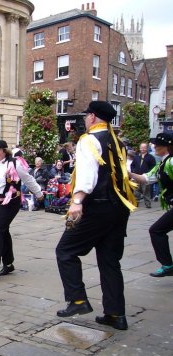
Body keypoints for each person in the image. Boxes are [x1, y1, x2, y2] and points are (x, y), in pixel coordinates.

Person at [55, 101, 137, 331]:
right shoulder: (117, 142)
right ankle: (115, 314)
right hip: (118, 208)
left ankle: (78, 300)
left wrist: (77, 202)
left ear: (92, 117)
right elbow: (119, 173)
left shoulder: (89, 140)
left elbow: (87, 176)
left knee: (65, 250)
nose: (84, 119)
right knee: (110, 261)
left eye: (86, 115)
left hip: (97, 206)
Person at [0, 140, 44, 276]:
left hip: (9, 202)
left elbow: (28, 179)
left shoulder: (15, 164)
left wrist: (38, 193)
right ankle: (8, 264)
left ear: (4, 151)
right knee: (3, 232)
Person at [129, 132, 173, 277]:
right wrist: (128, 174)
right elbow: (146, 178)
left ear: (166, 146)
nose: (153, 146)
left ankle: (168, 265)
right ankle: (167, 264)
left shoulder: (171, 162)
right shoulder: (163, 163)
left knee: (156, 230)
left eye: (157, 144)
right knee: (157, 231)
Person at [130, 142, 156, 208]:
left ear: (147, 148)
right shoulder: (136, 157)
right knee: (136, 191)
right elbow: (132, 165)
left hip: (145, 177)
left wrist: (148, 173)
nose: (142, 149)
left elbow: (153, 167)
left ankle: (148, 203)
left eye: (144, 148)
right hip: (137, 177)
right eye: (141, 148)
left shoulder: (151, 157)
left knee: (146, 191)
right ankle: (136, 203)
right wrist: (133, 172)